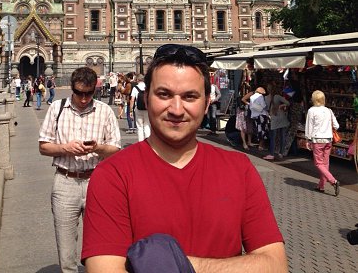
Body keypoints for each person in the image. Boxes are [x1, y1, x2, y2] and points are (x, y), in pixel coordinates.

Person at [82, 44, 288, 272]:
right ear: (146, 99)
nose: (177, 110)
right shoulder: (112, 175)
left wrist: (180, 265)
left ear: (207, 103)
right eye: (164, 94)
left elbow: (275, 265)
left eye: (190, 96)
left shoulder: (239, 168)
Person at [39, 66, 121, 273]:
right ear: (72, 88)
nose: (84, 99)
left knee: (101, 243)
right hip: (65, 181)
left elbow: (115, 150)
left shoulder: (105, 111)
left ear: (95, 89)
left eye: (89, 93)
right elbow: (43, 147)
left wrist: (97, 148)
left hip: (97, 181)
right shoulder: (57, 108)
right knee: (65, 244)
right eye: (79, 93)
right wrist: (65, 148)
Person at [305, 90, 340, 196]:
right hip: (328, 139)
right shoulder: (329, 110)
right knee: (325, 163)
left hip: (317, 139)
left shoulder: (312, 110)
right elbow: (337, 126)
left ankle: (333, 181)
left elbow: (309, 126)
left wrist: (308, 139)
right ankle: (321, 185)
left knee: (318, 163)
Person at [263, 82, 289, 161]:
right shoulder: (278, 96)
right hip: (282, 117)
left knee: (273, 137)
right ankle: (281, 153)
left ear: (268, 89)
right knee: (282, 136)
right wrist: (281, 106)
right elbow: (288, 103)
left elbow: (266, 108)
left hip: (274, 118)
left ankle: (271, 154)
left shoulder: (266, 98)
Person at [130, 73, 150, 141]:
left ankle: (141, 143)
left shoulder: (135, 88)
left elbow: (132, 100)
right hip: (147, 108)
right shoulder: (147, 87)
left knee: (139, 127)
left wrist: (131, 110)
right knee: (147, 126)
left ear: (137, 80)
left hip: (138, 109)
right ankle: (148, 142)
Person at [248, 86, 270, 151]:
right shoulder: (260, 97)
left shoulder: (252, 97)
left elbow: (251, 106)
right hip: (262, 115)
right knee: (263, 130)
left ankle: (260, 145)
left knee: (259, 129)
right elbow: (264, 106)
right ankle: (261, 145)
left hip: (255, 115)